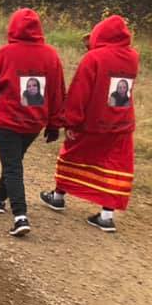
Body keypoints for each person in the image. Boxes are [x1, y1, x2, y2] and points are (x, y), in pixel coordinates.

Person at [41, 15, 140, 233]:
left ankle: (57, 196)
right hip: (121, 123)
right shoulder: (133, 57)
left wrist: (71, 122)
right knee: (114, 165)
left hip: (92, 122)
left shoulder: (93, 58)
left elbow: (79, 92)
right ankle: (106, 216)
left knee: (72, 155)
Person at [0, 8, 65, 237]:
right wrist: (54, 124)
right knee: (13, 161)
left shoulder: (6, 53)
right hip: (34, 125)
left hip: (8, 123)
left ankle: (20, 216)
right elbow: (57, 92)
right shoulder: (51, 56)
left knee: (13, 166)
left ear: (13, 27)